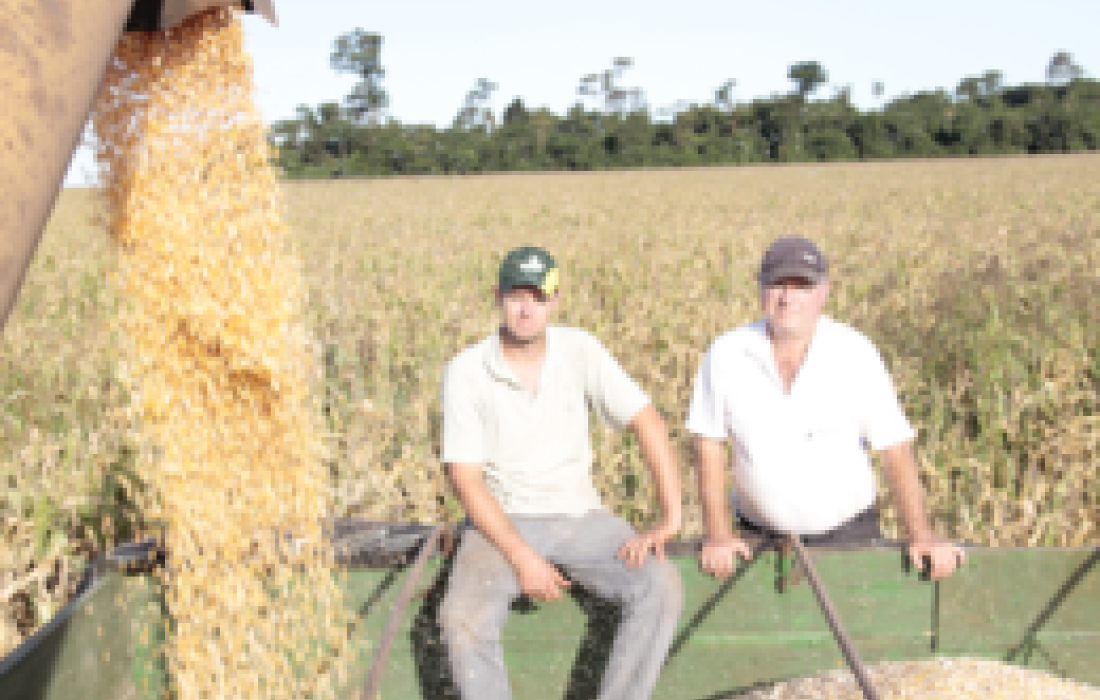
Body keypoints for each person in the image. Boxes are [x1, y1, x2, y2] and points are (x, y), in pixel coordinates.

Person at [438, 246, 683, 700]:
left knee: (659, 584)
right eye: (517, 295)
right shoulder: (467, 371)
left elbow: (648, 421)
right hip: (500, 524)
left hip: (580, 517)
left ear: (555, 300)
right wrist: (523, 556)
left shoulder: (580, 350)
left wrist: (671, 518)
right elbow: (466, 480)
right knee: (462, 618)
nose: (527, 307)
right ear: (498, 296)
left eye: (538, 296)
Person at [686, 236, 965, 580]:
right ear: (761, 289)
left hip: (848, 537)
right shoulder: (727, 353)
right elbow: (709, 445)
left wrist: (921, 535)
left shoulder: (854, 351)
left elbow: (894, 447)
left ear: (823, 292)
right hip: (757, 540)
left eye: (801, 286)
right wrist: (717, 534)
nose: (787, 298)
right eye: (777, 285)